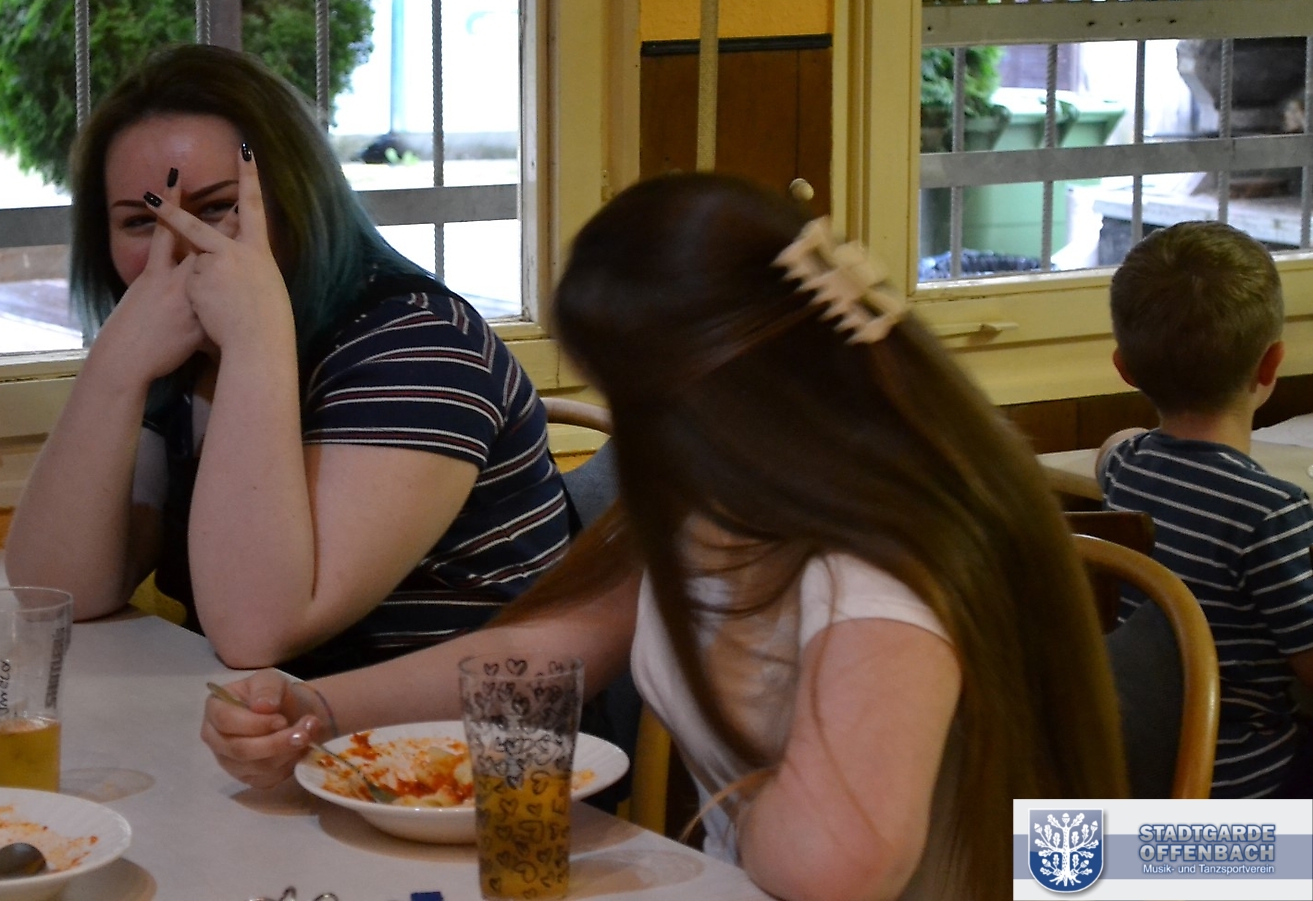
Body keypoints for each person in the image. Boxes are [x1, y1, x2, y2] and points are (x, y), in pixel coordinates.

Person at [201, 174, 1129, 901]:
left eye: (630, 394)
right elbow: (550, 650)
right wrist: (316, 708)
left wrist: (725, 773)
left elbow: (834, 864)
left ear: (707, 390)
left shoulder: (874, 566)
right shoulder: (734, 496)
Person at [6, 45, 571, 677]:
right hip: (258, 721)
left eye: (217, 208)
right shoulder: (181, 356)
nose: (182, 245)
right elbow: (55, 592)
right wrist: (114, 367)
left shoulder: (420, 345)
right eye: (142, 220)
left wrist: (255, 340)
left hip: (455, 732)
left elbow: (257, 632)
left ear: (296, 200)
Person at [1095, 220, 1313, 798]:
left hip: (1132, 779)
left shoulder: (1126, 470)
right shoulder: (1271, 513)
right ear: (1271, 365)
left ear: (1125, 369)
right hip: (1242, 796)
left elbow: (1114, 444)